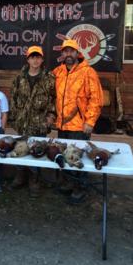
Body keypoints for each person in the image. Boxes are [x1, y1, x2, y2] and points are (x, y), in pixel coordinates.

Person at [52, 38, 103, 203]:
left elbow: (96, 99)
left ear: (77, 53)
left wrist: (90, 121)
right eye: (65, 51)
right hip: (62, 124)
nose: (68, 54)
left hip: (80, 126)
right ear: (62, 54)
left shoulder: (88, 72)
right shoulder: (58, 72)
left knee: (79, 156)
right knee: (65, 154)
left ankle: (80, 187)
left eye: (71, 51)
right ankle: (68, 183)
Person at [9, 45, 55, 197]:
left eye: (38, 57)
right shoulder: (19, 78)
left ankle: (34, 180)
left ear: (42, 59)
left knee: (37, 150)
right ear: (28, 59)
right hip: (22, 122)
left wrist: (51, 116)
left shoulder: (49, 78)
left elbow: (54, 99)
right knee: (21, 148)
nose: (35, 60)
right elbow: (13, 98)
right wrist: (15, 117)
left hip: (40, 122)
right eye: (32, 57)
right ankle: (20, 176)